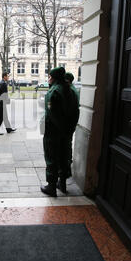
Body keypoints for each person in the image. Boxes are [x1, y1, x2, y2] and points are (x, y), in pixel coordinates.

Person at [40, 67, 79, 197]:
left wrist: (60, 129)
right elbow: (76, 112)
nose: (48, 79)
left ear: (54, 78)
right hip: (67, 132)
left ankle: (51, 186)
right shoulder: (72, 91)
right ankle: (62, 184)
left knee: (52, 157)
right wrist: (69, 129)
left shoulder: (54, 92)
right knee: (64, 156)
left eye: (49, 76)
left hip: (53, 132)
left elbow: (52, 114)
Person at [56, 72, 80, 192]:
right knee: (66, 151)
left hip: (64, 128)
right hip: (69, 128)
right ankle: (64, 177)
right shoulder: (74, 90)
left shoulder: (68, 91)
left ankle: (62, 181)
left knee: (62, 153)